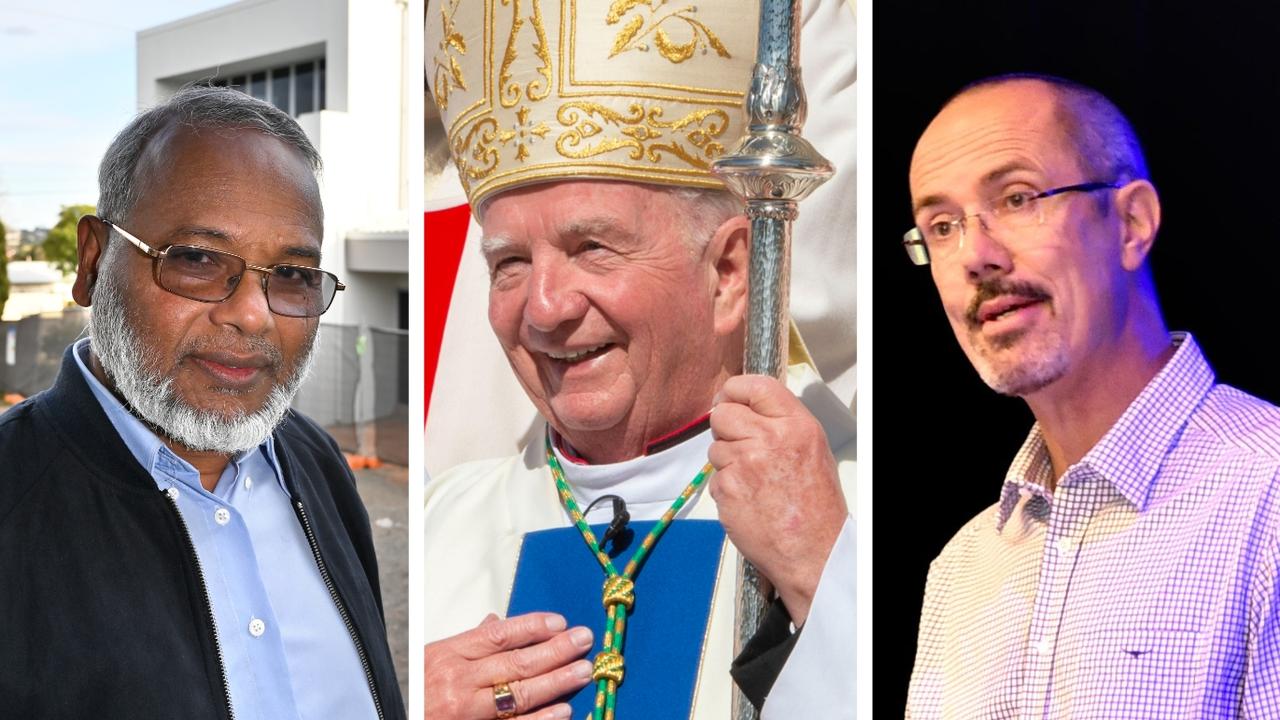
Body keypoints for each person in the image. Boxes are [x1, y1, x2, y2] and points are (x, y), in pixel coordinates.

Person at [424, 2, 855, 719]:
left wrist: (825, 587)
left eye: (592, 247)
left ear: (729, 273)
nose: (544, 307)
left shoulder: (847, 515)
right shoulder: (441, 524)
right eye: (508, 263)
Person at [0, 85, 405, 719]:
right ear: (93, 261)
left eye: (293, 275)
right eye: (196, 259)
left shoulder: (315, 459)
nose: (251, 315)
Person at [902, 74, 1280, 718]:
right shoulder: (962, 567)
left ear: (1132, 223)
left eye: (1018, 198)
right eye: (941, 226)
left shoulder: (1265, 497)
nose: (976, 256)